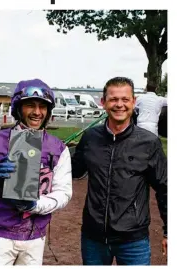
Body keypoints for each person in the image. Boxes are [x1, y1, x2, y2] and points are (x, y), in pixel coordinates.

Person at [0, 79, 72, 265]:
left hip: (35, 238)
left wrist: (35, 205)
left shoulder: (58, 148)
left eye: (43, 107)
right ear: (18, 108)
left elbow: (64, 193)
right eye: (30, 105)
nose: (37, 112)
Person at [71, 77, 167, 265]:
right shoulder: (91, 137)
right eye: (114, 99)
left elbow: (165, 187)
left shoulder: (148, 143)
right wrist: (48, 154)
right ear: (103, 103)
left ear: (134, 102)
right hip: (93, 238)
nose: (119, 105)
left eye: (125, 99)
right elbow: (73, 170)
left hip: (133, 240)